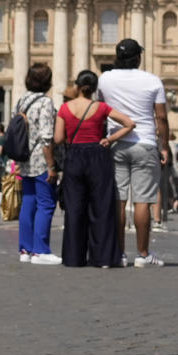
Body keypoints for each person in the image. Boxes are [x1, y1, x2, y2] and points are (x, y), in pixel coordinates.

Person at [97, 38, 169, 266]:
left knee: (118, 200)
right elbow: (162, 117)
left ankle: (118, 253)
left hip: (116, 143)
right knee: (142, 201)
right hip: (145, 143)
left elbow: (102, 109)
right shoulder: (153, 81)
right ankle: (143, 254)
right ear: (138, 58)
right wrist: (164, 145)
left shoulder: (105, 79)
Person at [53, 69, 135, 267]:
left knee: (74, 208)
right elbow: (129, 123)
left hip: (74, 157)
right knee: (101, 207)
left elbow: (58, 139)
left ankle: (74, 258)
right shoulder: (101, 107)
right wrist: (109, 138)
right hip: (98, 155)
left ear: (77, 87)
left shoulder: (65, 108)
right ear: (94, 89)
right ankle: (103, 258)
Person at [13, 62, 59, 264]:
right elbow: (46, 137)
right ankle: (40, 250)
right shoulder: (45, 103)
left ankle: (25, 249)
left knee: (28, 203)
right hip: (40, 159)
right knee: (46, 204)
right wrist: (51, 165)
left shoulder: (21, 101)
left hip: (24, 159)